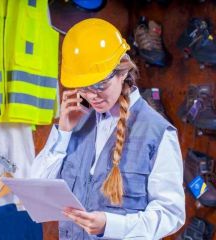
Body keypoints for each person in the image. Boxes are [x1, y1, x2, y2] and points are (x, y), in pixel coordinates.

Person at [31, 18, 185, 240]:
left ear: (123, 72)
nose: (92, 95)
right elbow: (37, 193)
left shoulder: (157, 132)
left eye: (100, 84)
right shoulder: (76, 123)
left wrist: (110, 225)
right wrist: (63, 132)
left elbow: (170, 215)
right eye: (84, 86)